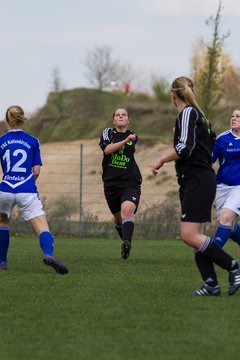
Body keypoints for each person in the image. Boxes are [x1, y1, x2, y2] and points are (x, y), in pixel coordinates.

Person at [151, 76, 240, 296]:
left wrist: (161, 159)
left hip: (197, 179)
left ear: (173, 94)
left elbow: (184, 148)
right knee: (196, 237)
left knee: (189, 235)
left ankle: (233, 267)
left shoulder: (188, 113)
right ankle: (211, 283)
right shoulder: (197, 115)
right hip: (199, 179)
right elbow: (205, 146)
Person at [0, 105, 68, 274]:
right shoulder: (33, 140)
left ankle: (2, 262)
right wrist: (27, 182)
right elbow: (36, 170)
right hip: (27, 190)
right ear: (23, 119)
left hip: (5, 189)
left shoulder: (1, 141)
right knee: (43, 229)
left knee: (3, 224)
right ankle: (48, 254)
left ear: (7, 120)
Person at [99, 107, 142, 259]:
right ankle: (124, 241)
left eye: (124, 115)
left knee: (127, 211)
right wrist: (125, 140)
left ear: (128, 120)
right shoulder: (108, 133)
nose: (121, 117)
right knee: (118, 218)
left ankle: (126, 242)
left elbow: (134, 138)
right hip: (111, 183)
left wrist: (129, 138)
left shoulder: (133, 135)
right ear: (114, 120)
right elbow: (108, 150)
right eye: (117, 115)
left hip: (130, 181)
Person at [212, 108, 240, 249]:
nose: (233, 119)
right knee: (228, 224)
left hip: (239, 187)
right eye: (232, 116)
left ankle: (212, 254)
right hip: (222, 186)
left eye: (238, 116)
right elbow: (209, 161)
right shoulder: (222, 139)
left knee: (226, 217)